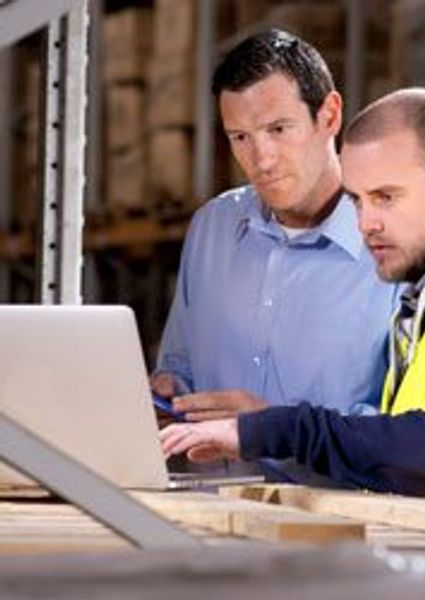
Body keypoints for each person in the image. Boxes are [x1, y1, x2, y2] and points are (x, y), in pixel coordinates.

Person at [160, 87, 425, 549]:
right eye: (356, 200)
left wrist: (271, 429)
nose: (365, 222)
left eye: (386, 197)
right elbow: (398, 454)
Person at [152, 30, 396, 478]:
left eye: (278, 130)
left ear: (330, 115)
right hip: (203, 526)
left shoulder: (392, 248)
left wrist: (276, 427)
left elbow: (407, 437)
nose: (261, 158)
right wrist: (169, 396)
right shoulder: (211, 229)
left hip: (332, 535)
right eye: (240, 137)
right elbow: (180, 365)